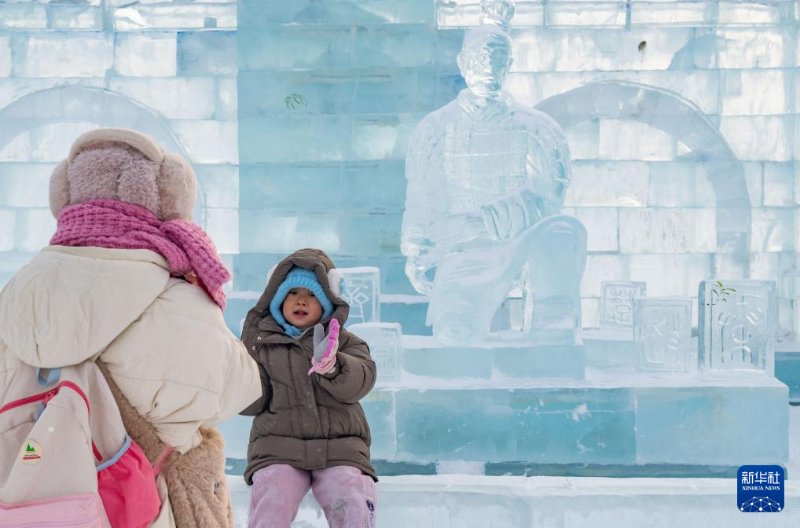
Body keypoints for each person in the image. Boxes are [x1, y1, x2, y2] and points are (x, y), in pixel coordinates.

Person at [0, 128, 261, 526]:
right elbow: (236, 389)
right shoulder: (176, 297)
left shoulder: (17, 294)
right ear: (168, 199)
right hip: (149, 503)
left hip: (32, 500)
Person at [241, 248, 378, 528]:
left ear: (328, 303)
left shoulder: (348, 343)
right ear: (277, 300)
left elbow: (360, 382)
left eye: (313, 294)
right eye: (292, 293)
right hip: (278, 448)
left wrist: (334, 366)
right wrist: (237, 375)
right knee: (272, 497)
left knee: (349, 496)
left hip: (340, 448)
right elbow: (252, 402)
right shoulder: (262, 347)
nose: (301, 300)